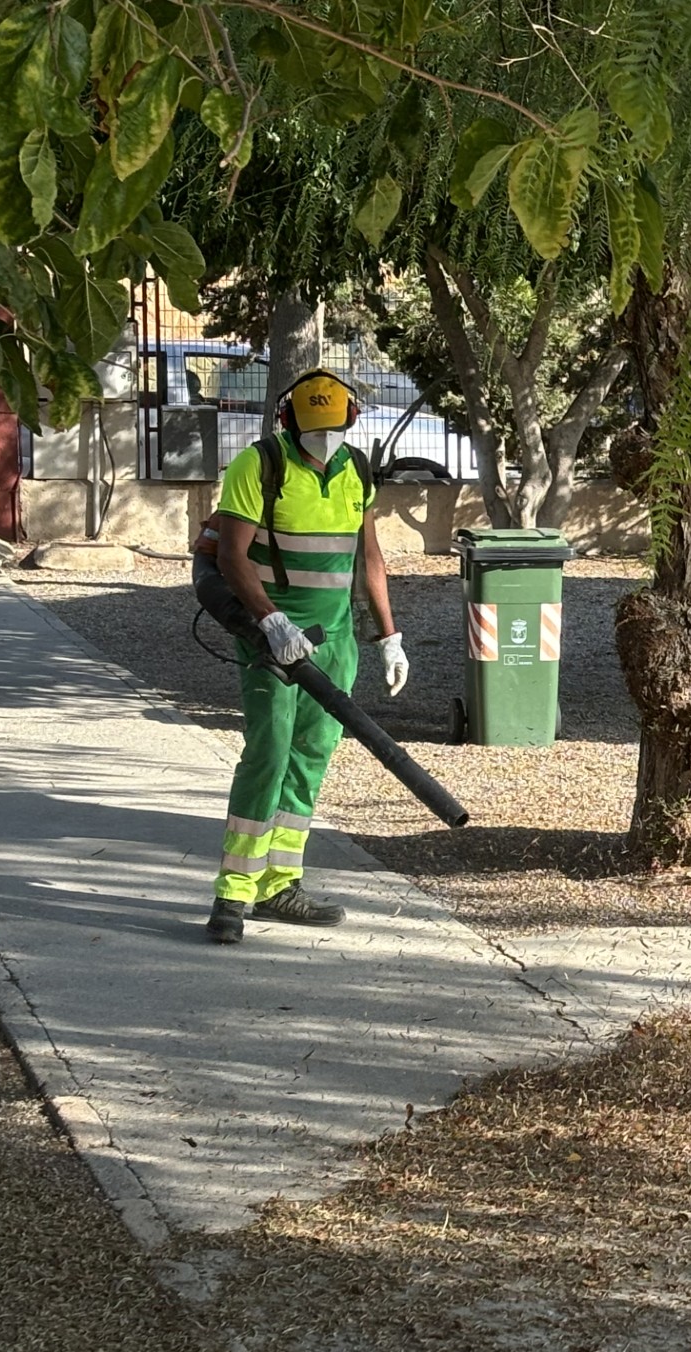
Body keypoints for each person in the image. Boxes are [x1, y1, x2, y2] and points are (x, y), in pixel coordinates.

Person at [204, 368, 411, 944]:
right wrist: (270, 622)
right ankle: (233, 894)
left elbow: (368, 558)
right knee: (268, 753)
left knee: (311, 758)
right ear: (288, 421)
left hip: (337, 640)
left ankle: (279, 884)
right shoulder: (259, 465)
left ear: (350, 420)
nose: (323, 438)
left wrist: (389, 637)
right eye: (311, 427)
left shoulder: (357, 471)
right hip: (272, 637)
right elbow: (232, 558)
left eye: (333, 426)